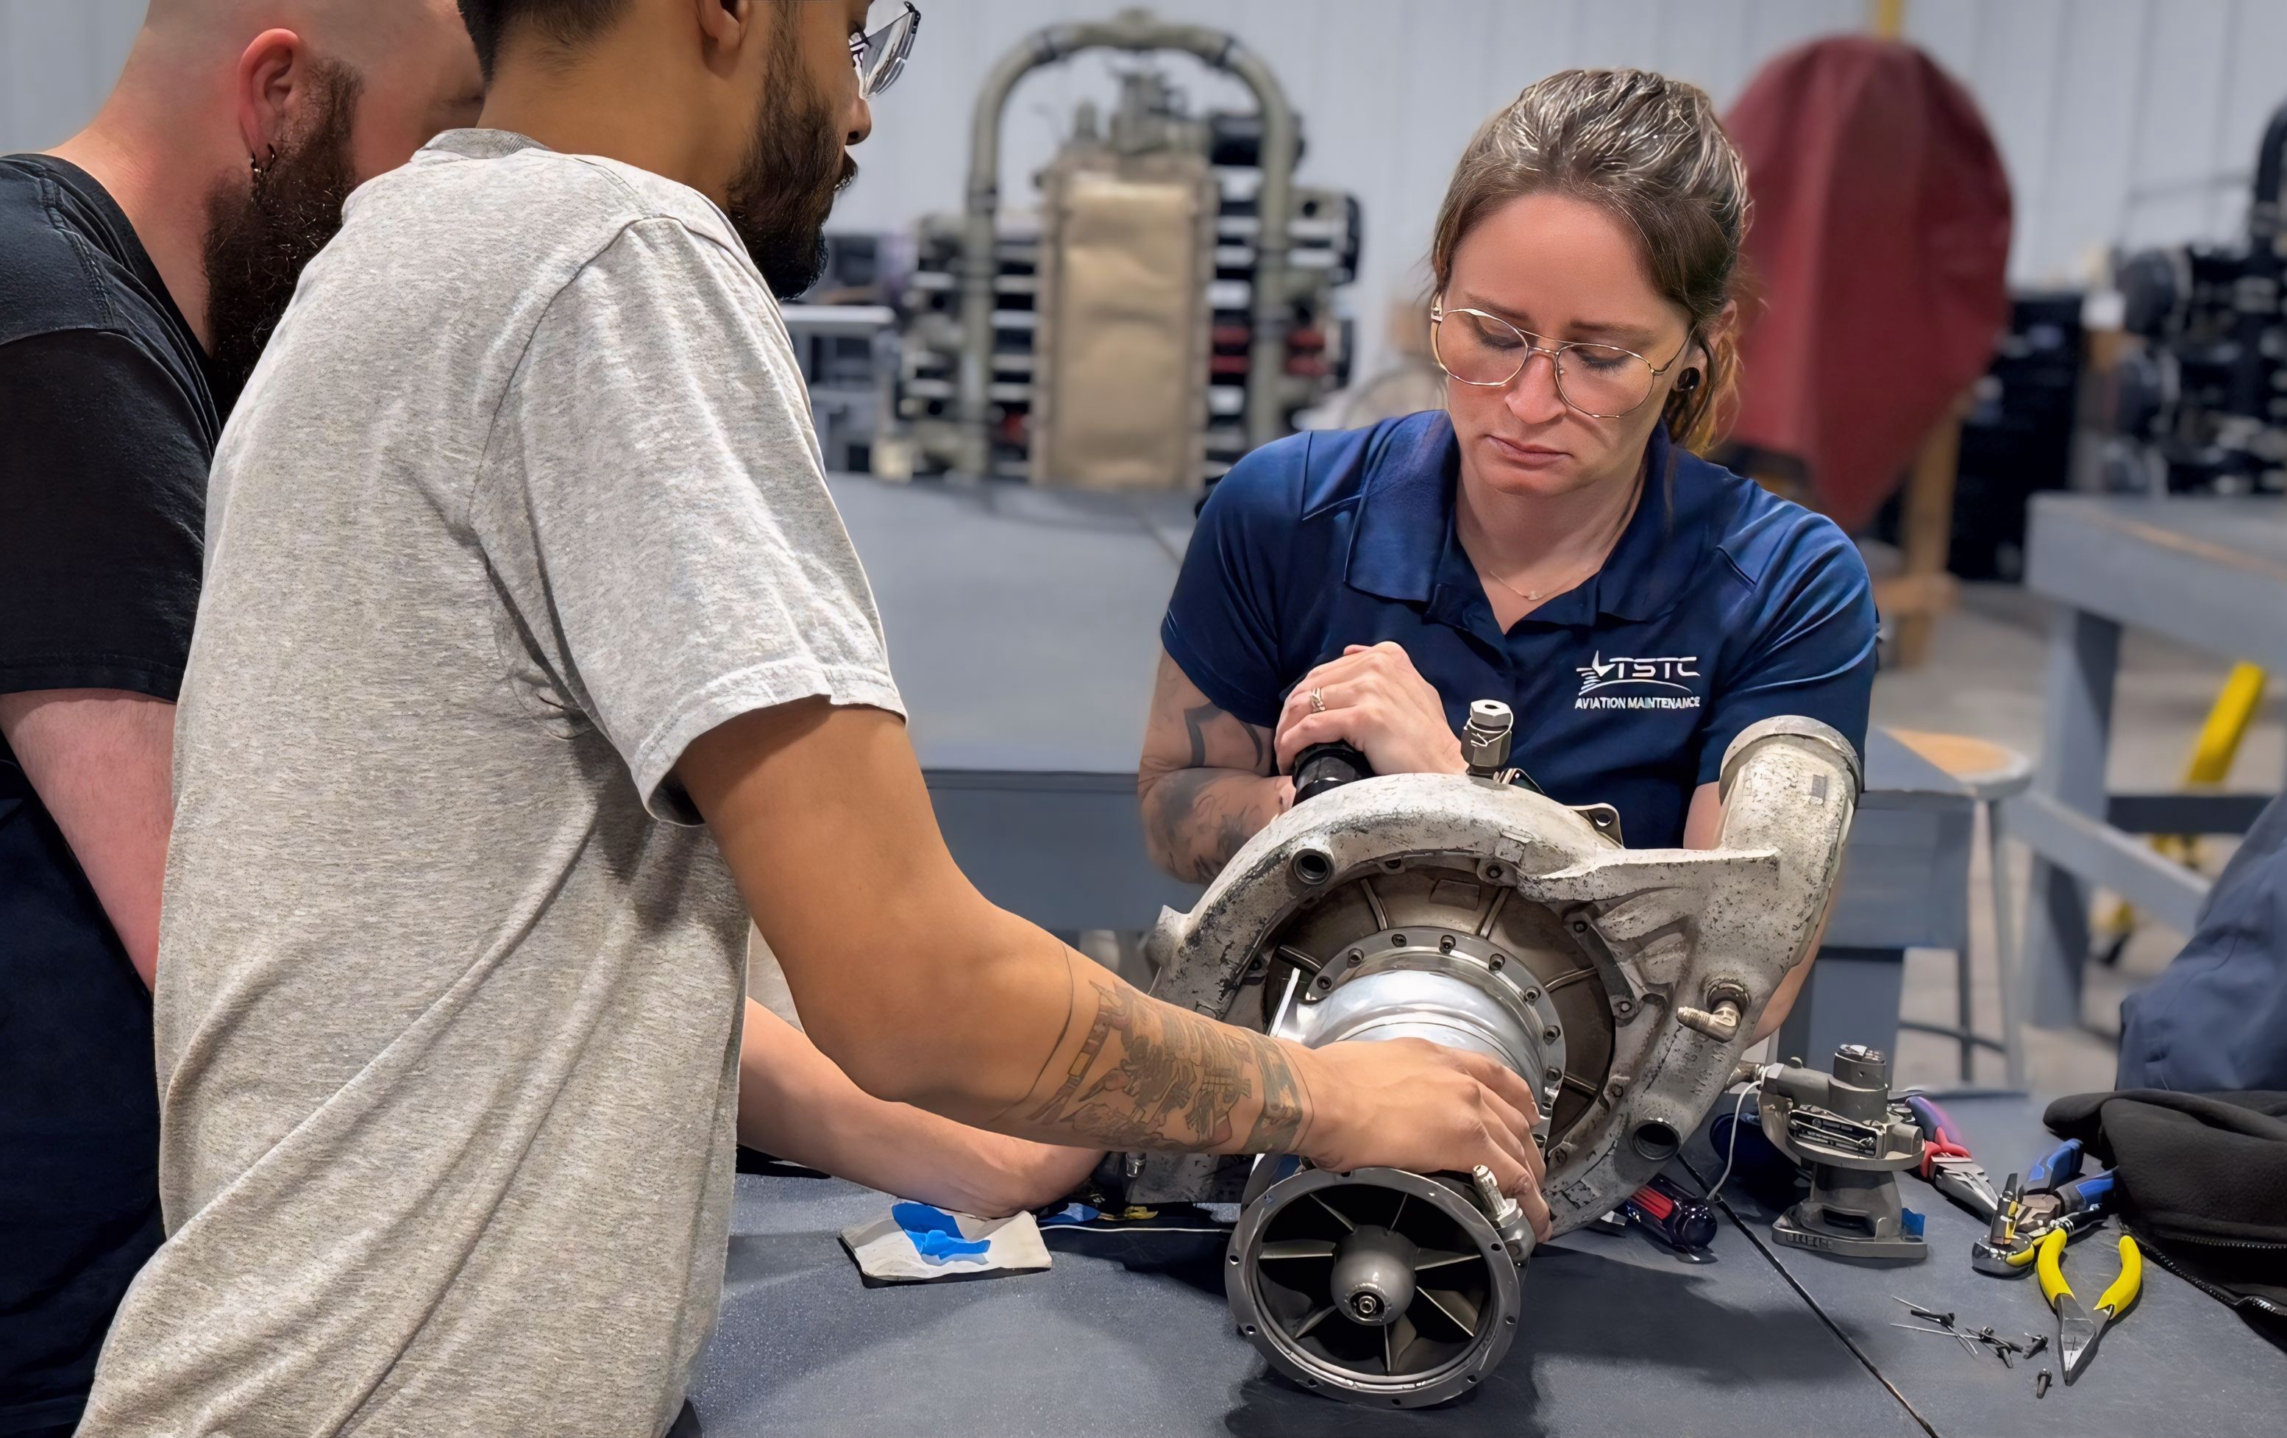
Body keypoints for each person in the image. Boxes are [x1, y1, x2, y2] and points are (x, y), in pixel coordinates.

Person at [74, 3, 1546, 1435]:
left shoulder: (384, 259)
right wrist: (1328, 1097)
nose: (856, 106)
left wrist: (1016, 1105)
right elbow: (907, 984)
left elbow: (536, 906)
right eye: (849, 28)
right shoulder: (619, 261)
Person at [1138, 69, 1880, 1041]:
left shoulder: (1784, 588)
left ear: (1700, 345)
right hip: (1307, 1079)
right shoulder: (1284, 515)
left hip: (1595, 1137)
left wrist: (1437, 799)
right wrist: (1326, 803)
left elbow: (1736, 984)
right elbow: (1173, 806)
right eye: (1491, 334)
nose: (1528, 402)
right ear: (1437, 294)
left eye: (1600, 356)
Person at [0, 7, 484, 1434]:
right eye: (436, 138)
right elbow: (240, 946)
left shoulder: (149, 343)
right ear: (279, 96)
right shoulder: (60, 343)